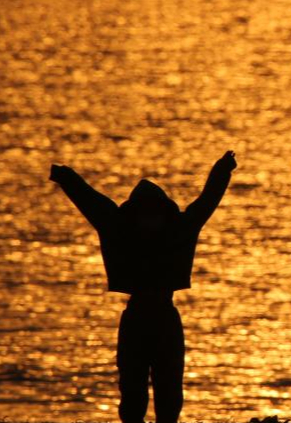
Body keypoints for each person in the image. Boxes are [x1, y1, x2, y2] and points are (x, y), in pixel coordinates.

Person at [50, 151, 236, 423]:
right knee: (132, 387)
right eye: (144, 214)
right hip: (136, 318)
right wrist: (65, 177)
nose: (150, 220)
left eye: (155, 214)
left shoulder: (179, 231)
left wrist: (222, 170)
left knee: (169, 389)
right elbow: (90, 200)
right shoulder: (118, 230)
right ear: (134, 215)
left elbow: (207, 201)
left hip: (164, 317)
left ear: (164, 214)